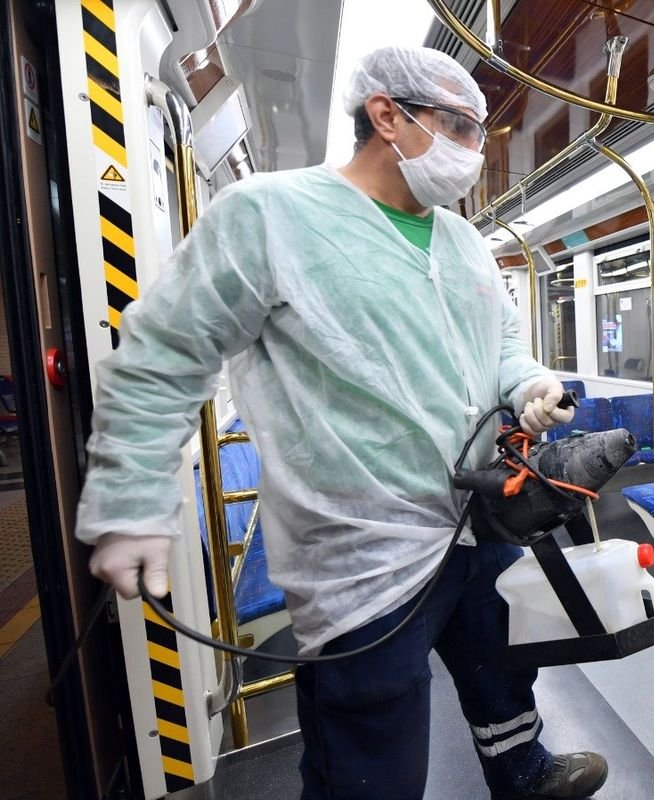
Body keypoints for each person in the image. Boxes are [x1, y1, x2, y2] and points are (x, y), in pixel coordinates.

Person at [74, 46, 607, 800]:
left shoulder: (463, 242)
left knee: (503, 667)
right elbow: (164, 352)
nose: (472, 150)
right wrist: (131, 500)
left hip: (481, 518)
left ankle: (524, 773)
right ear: (387, 114)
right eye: (459, 125)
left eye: (477, 132)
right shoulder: (270, 216)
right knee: (373, 743)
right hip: (363, 553)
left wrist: (530, 385)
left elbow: (502, 345)